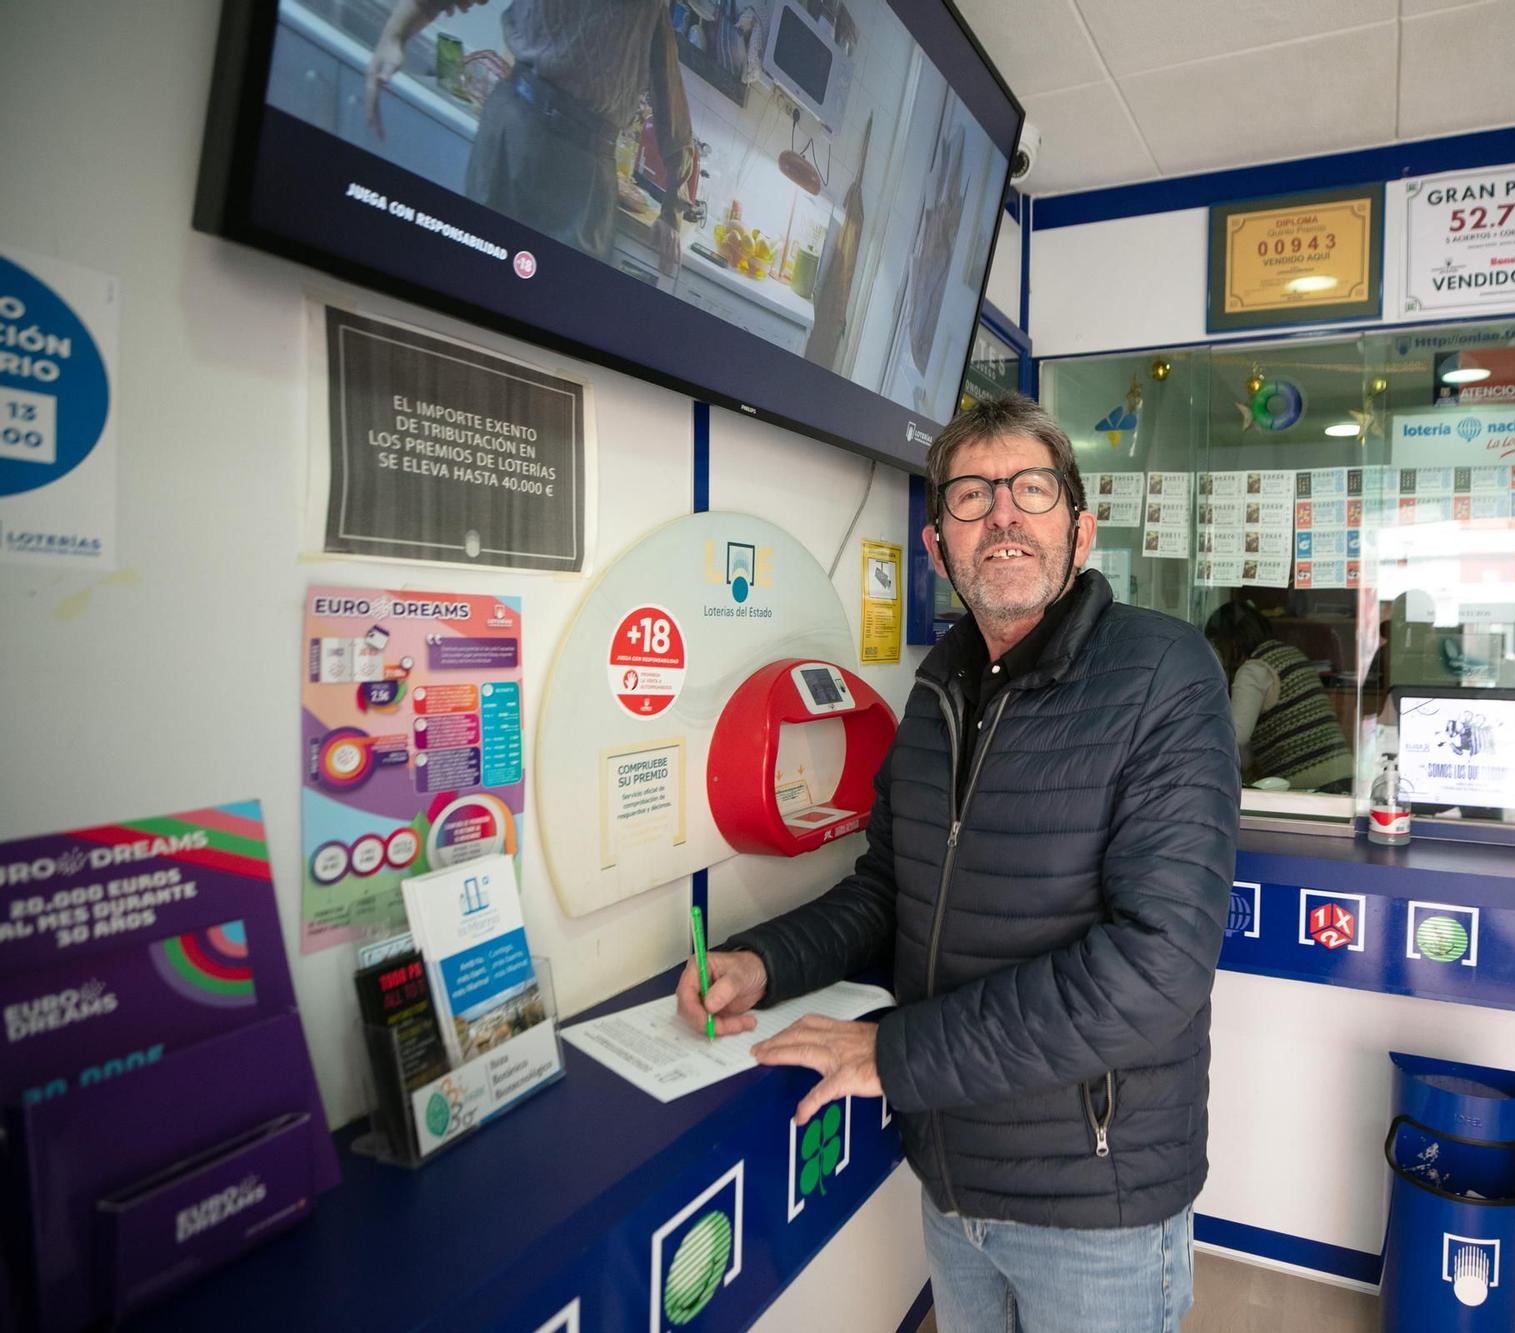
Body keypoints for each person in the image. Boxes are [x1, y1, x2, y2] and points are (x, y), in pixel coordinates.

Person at [676, 392, 1238, 1331]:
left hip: (1095, 1202)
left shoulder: (1164, 675)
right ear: (939, 547)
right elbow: (890, 891)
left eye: (1031, 487)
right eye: (971, 496)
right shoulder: (938, 688)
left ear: (1080, 528)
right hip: (949, 1171)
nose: (1004, 513)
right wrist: (764, 958)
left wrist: (890, 1053)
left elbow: (1157, 965)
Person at [364, 0, 691, 273]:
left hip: (585, 172)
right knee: (469, 277)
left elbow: (667, 81)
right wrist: (396, 32)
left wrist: (673, 207)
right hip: (517, 129)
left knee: (553, 316)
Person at [1203, 601, 1351, 792]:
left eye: (1217, 644)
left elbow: (1237, 735)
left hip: (1306, 780)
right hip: (1343, 770)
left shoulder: (1253, 670)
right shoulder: (1291, 654)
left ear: (1232, 643)